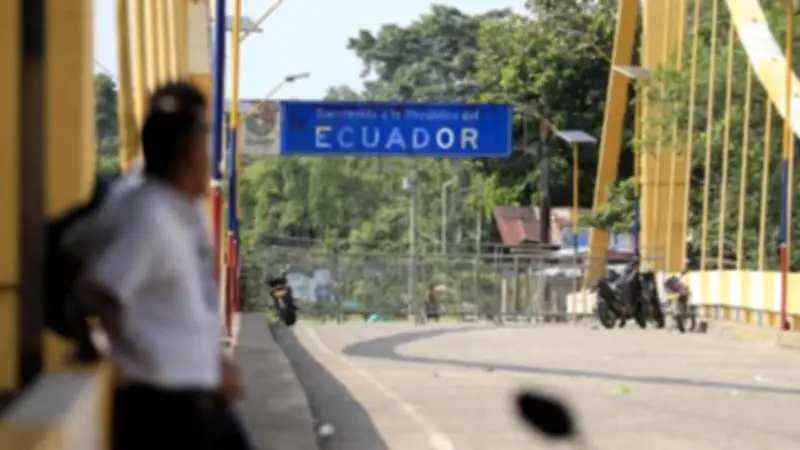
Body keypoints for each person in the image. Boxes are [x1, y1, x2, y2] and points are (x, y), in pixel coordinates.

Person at [67, 82, 245, 450]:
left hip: (195, 393)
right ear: (183, 158)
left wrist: (214, 362)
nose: (209, 168)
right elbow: (97, 287)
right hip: (162, 402)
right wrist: (91, 341)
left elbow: (192, 302)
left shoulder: (180, 210)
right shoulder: (147, 216)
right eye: (202, 153)